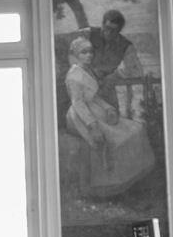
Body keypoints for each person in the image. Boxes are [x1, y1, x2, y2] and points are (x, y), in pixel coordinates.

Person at [64, 36, 155, 198]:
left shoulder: (86, 70)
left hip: (94, 108)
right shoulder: (73, 76)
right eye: (84, 52)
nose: (89, 55)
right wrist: (92, 125)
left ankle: (131, 180)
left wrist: (109, 108)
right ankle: (109, 186)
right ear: (77, 54)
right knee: (117, 139)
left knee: (137, 128)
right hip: (81, 115)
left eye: (90, 52)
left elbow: (95, 97)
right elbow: (78, 103)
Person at [86, 8, 145, 86]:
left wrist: (115, 75)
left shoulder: (126, 46)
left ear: (119, 30)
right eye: (107, 28)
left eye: (114, 30)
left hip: (107, 87)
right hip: (83, 83)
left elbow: (137, 71)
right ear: (102, 24)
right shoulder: (89, 34)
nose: (109, 33)